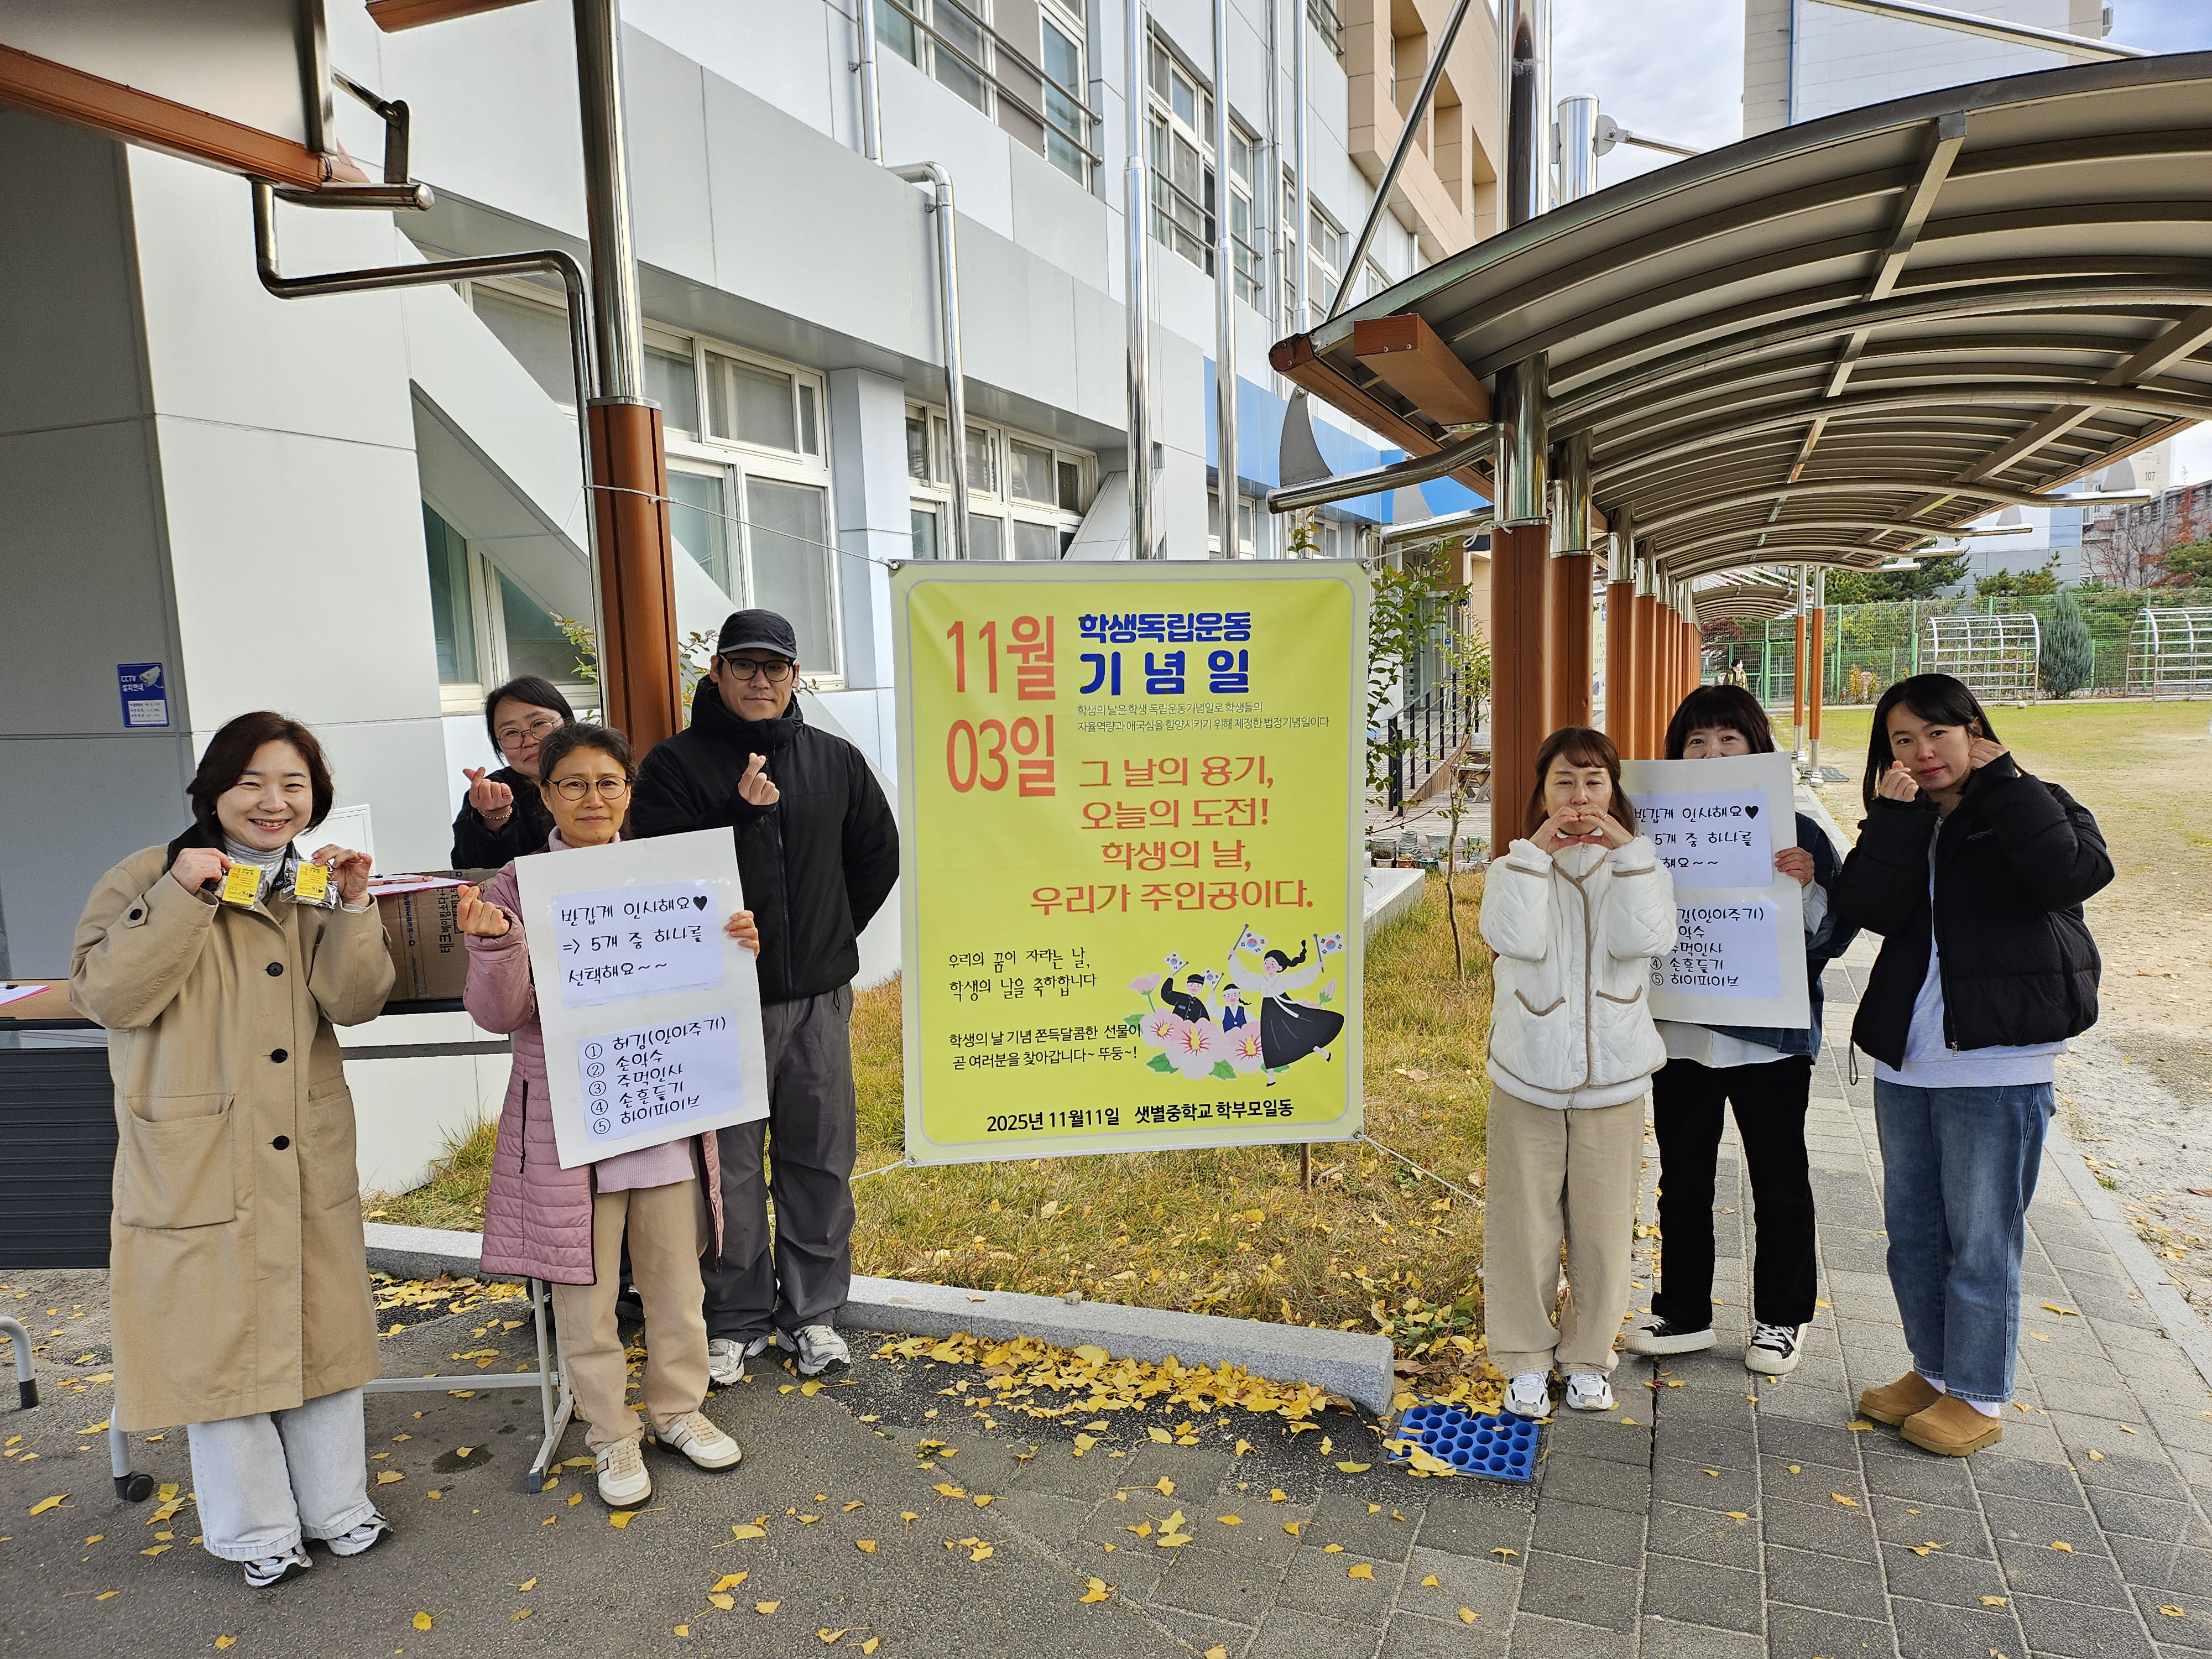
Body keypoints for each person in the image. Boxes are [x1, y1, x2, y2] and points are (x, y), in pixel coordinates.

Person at [69, 711, 392, 1588]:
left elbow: (356, 1002)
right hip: (199, 1150)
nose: (272, 801)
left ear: (315, 798)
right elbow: (106, 996)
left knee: (320, 1326)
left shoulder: (312, 883)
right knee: (218, 1342)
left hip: (302, 1142)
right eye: (251, 782)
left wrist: (353, 905)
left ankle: (338, 1507)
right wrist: (183, 894)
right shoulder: (144, 875)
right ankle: (255, 1531)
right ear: (212, 790)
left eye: (293, 784)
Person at [454, 721, 752, 1507]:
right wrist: (495, 948)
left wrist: (736, 945)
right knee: (584, 1300)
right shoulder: (516, 887)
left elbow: (708, 988)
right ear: (544, 794)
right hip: (571, 1122)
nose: (594, 798)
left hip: (660, 1108)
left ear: (629, 791)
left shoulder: (674, 875)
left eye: (609, 783)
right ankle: (612, 1436)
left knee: (676, 1284)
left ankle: (678, 1411)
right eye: (574, 784)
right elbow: (498, 1014)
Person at [1832, 674, 2110, 1456]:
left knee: (1982, 1242)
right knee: (1914, 1236)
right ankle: (1933, 1371)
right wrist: (1893, 822)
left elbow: (2071, 877)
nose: (1922, 752)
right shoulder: (1904, 815)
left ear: (1974, 733)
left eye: (1937, 734)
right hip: (1908, 1061)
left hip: (1998, 1065)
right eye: (1902, 740)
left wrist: (2009, 784)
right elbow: (1867, 910)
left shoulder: (2034, 800)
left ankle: (1979, 1394)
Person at [630, 609, 899, 1382]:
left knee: (819, 1158)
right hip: (715, 1005)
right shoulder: (674, 766)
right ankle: (735, 1318)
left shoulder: (834, 761)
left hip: (815, 999)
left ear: (794, 677)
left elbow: (876, 857)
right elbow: (662, 873)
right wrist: (740, 816)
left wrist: (826, 936)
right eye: (743, 665)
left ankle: (813, 1314)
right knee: (729, 1172)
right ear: (716, 673)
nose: (759, 680)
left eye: (774, 667)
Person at [1622, 685, 1858, 1376]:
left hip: (1768, 1039)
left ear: (1757, 747)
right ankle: (1683, 1311)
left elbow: (1833, 937)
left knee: (1779, 1179)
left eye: (1729, 739)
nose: (1712, 753)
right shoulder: (1649, 828)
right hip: (1681, 1034)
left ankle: (1783, 1317)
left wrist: (1806, 886)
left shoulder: (1796, 828)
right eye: (1696, 741)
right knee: (1682, 1178)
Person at [1480, 727, 1677, 1418]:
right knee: (1522, 1227)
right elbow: (1512, 939)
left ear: (1614, 791)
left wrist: (1629, 855)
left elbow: (1646, 940)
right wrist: (1536, 854)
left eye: (1594, 782)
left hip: (1614, 1080)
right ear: (1541, 792)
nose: (1579, 797)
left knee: (1602, 1231)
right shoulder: (1514, 867)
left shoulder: (1639, 866)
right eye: (1563, 782)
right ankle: (1524, 1359)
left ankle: (1589, 1358)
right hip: (1526, 1075)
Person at [449, 675, 572, 868]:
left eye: (539, 724)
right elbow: (469, 870)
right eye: (511, 733)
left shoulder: (607, 775)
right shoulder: (490, 793)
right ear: (499, 746)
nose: (529, 741)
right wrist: (494, 820)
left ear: (567, 722)